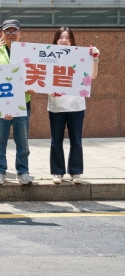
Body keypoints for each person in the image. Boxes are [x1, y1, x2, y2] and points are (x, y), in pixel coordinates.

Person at [0, 19, 35, 185]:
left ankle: (23, 172)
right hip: (1, 103)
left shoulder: (30, 52)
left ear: (20, 33)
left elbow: (37, 75)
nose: (11, 34)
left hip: (22, 102)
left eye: (14, 31)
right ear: (2, 34)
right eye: (7, 31)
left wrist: (33, 85)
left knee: (23, 141)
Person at [48, 27, 100, 185]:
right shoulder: (49, 57)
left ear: (72, 41)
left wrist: (95, 58)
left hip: (76, 106)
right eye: (61, 38)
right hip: (56, 106)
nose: (64, 40)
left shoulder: (81, 56)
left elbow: (93, 76)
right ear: (56, 40)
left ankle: (75, 172)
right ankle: (57, 172)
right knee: (56, 140)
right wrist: (51, 90)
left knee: (76, 140)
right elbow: (42, 79)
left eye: (67, 38)